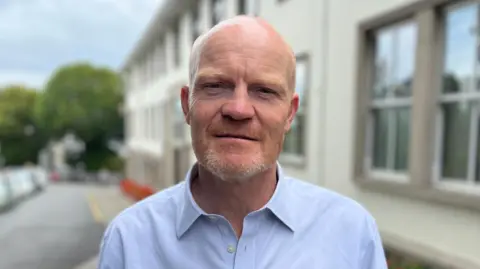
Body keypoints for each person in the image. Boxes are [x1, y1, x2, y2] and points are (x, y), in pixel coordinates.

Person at [98, 16, 387, 269]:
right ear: (187, 105)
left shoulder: (351, 234)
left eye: (264, 91)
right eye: (215, 86)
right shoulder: (129, 240)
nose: (238, 109)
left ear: (290, 114)